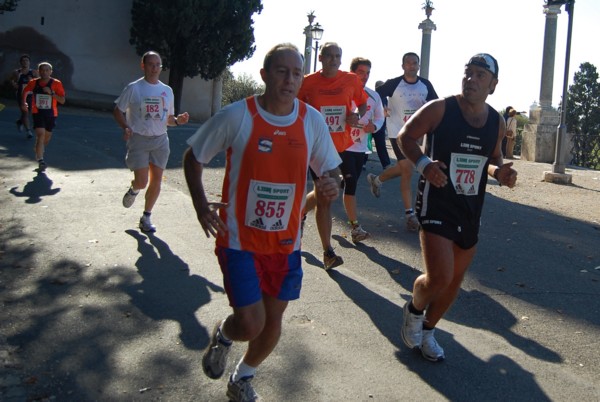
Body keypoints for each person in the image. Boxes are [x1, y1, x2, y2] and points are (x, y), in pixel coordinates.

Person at [183, 43, 341, 402]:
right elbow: (194, 157)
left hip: (285, 244)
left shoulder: (310, 121)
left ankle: (242, 377)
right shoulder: (238, 116)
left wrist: (331, 182)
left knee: (272, 324)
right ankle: (225, 334)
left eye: (297, 73)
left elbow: (329, 169)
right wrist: (200, 205)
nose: (290, 80)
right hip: (239, 240)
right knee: (250, 323)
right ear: (265, 75)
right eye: (282, 71)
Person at [398, 53, 518, 362]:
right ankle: (414, 308)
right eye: (469, 73)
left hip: (470, 206)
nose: (472, 79)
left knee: (453, 281)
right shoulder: (440, 109)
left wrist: (500, 173)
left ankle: (428, 330)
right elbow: (405, 137)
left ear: (493, 85)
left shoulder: (496, 121)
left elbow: (491, 161)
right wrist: (424, 165)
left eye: (480, 75)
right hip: (436, 201)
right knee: (439, 276)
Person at [297, 42, 368, 269]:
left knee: (325, 191)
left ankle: (299, 213)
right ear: (321, 57)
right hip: (317, 146)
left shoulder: (351, 80)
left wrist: (355, 114)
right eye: (329, 56)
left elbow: (363, 104)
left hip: (342, 144)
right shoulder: (307, 82)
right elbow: (294, 108)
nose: (334, 60)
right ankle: (328, 252)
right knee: (327, 195)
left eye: (338, 56)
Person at [113, 50, 189, 233]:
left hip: (161, 140)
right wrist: (125, 127)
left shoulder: (167, 90)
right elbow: (118, 110)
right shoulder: (134, 88)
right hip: (138, 139)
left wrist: (178, 120)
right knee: (141, 182)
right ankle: (134, 189)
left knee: (157, 180)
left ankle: (146, 216)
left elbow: (168, 119)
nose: (155, 68)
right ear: (143, 66)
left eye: (158, 65)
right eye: (151, 64)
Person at [369, 52, 438, 231]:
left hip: (418, 134)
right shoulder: (394, 83)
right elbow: (376, 95)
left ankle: (377, 180)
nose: (411, 66)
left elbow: (436, 105)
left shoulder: (425, 85)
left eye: (414, 63)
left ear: (418, 65)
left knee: (405, 168)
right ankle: (410, 215)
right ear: (403, 66)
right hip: (397, 132)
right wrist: (383, 106)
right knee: (407, 169)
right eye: (408, 63)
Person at [345, 57, 385, 242]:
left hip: (360, 147)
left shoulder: (373, 96)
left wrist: (374, 127)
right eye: (361, 72)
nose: (365, 76)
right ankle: (355, 228)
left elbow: (379, 117)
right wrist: (346, 119)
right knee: (348, 186)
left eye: (368, 73)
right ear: (352, 72)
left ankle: (303, 213)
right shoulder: (342, 91)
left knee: (345, 185)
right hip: (339, 145)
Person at [20, 61, 65, 171]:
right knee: (40, 135)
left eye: (46, 70)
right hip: (38, 113)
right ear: (38, 71)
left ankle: (39, 149)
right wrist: (23, 103)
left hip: (51, 114)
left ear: (51, 72)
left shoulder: (56, 83)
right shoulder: (34, 83)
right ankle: (41, 160)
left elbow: (63, 101)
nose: (44, 72)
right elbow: (25, 91)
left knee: (46, 138)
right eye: (42, 70)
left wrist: (52, 93)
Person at [12, 54, 38, 139]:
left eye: (27, 60)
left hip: (30, 96)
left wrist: (33, 82)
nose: (25, 62)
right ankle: (28, 131)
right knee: (26, 112)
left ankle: (20, 121)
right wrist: (14, 85)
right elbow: (13, 82)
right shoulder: (17, 72)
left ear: (29, 62)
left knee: (28, 112)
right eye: (23, 61)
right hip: (21, 95)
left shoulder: (34, 72)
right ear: (20, 62)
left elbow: (38, 84)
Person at [371, 80, 392, 170]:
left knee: (366, 144)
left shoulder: (371, 96)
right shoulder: (383, 98)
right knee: (381, 146)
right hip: (379, 125)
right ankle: (386, 164)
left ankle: (362, 163)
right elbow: (387, 113)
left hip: (370, 123)